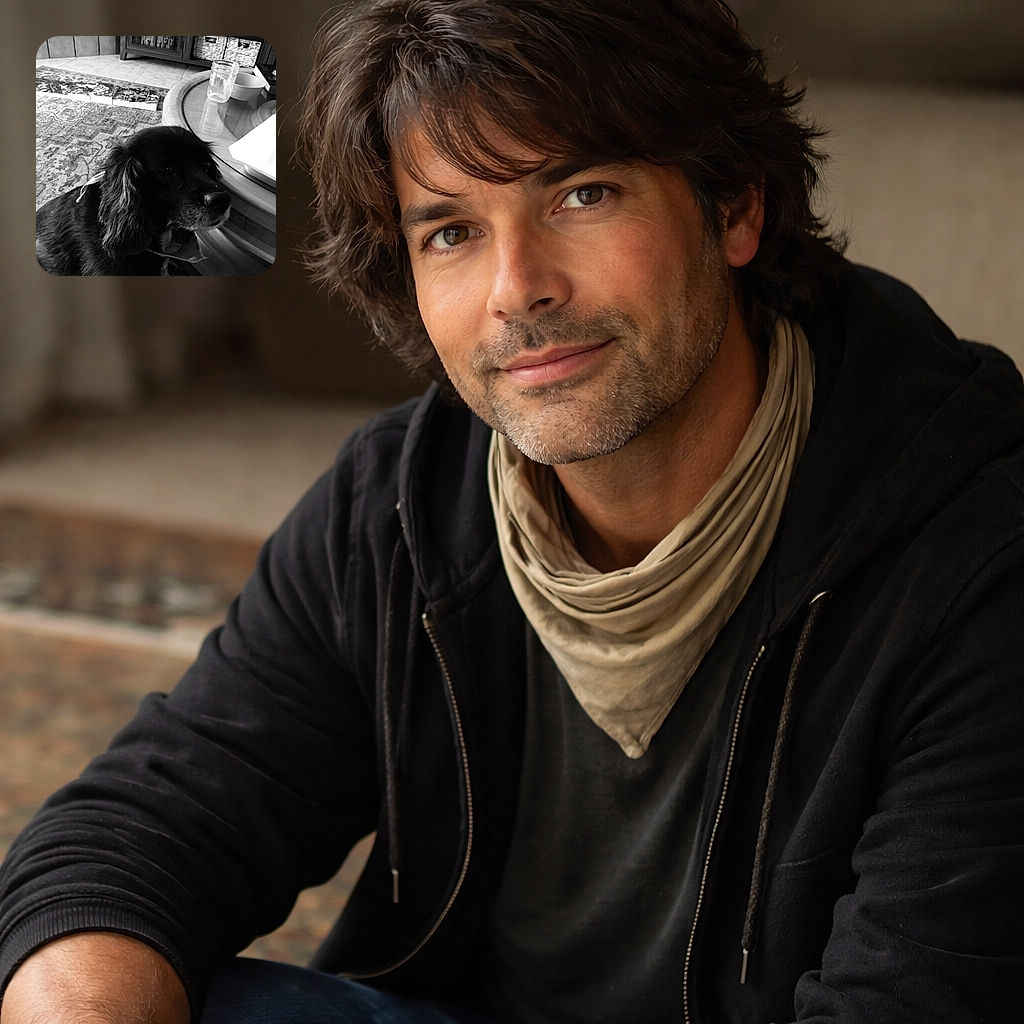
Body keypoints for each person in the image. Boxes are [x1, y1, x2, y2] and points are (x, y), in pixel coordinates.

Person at [2, 0, 1023, 1020]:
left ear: (734, 208)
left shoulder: (980, 544)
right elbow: (148, 824)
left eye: (582, 193)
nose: (516, 289)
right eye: (450, 231)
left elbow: (923, 992)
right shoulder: (401, 502)